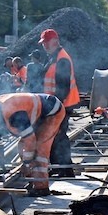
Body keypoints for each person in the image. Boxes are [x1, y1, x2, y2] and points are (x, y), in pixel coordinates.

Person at [0, 93, 65, 197]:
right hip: (38, 113)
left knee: (40, 149)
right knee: (22, 147)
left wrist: (26, 164)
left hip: (52, 111)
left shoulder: (14, 114)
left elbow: (30, 140)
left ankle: (41, 188)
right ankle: (32, 179)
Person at [39, 28, 80, 177]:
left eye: (46, 43)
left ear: (55, 42)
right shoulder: (53, 57)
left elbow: (63, 86)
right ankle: (57, 166)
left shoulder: (62, 59)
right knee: (54, 135)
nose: (44, 46)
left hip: (62, 104)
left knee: (60, 135)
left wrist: (56, 107)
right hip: (54, 104)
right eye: (43, 43)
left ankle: (66, 169)